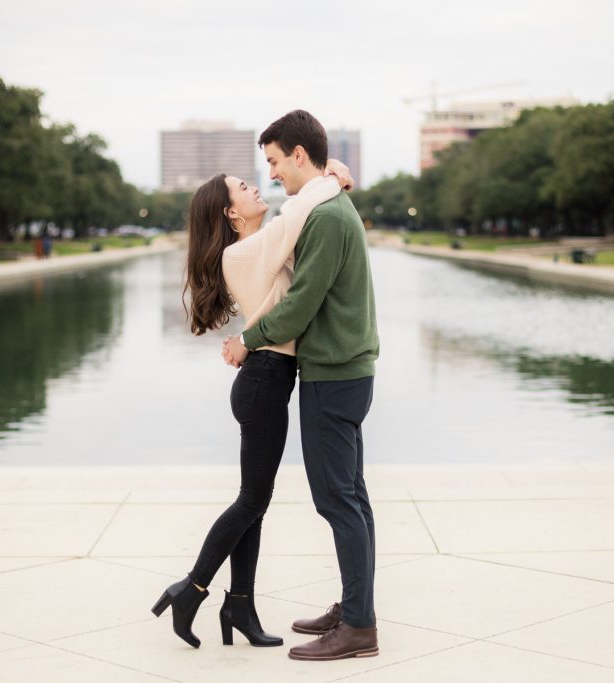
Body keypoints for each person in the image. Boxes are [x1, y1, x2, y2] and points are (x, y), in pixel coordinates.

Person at [151, 158, 353, 649]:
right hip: (264, 380)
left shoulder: (257, 248)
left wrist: (331, 181)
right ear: (230, 213)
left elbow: (302, 220)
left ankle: (240, 604)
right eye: (244, 187)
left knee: (254, 502)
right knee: (251, 500)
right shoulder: (246, 253)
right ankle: (192, 588)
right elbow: (300, 210)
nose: (256, 187)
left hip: (268, 377)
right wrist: (330, 178)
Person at [223, 110, 380, 662]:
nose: (271, 176)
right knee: (350, 496)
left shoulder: (328, 217)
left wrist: (248, 337)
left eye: (273, 162)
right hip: (341, 370)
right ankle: (356, 607)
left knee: (338, 498)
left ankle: (359, 626)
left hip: (336, 373)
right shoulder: (327, 206)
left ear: (298, 155)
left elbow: (300, 305)